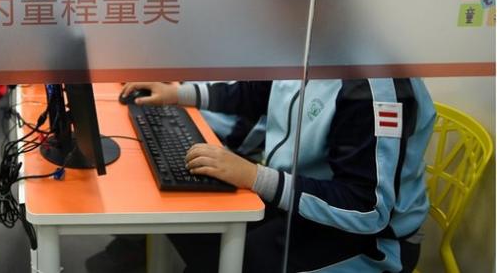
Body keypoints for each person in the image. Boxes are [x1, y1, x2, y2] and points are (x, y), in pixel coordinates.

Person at [119, 79, 436, 273]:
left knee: (228, 262)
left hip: (366, 241)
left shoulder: (373, 89)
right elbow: (255, 92)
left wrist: (255, 176)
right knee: (190, 222)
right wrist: (178, 94)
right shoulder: (310, 45)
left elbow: (367, 208)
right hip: (298, 202)